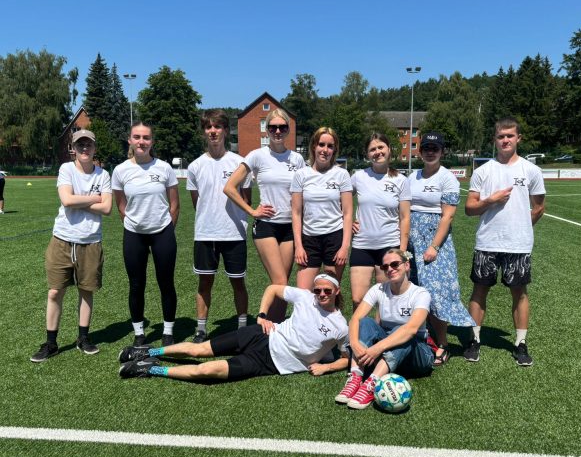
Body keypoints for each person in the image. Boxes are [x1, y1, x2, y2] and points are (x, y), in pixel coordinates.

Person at [118, 274, 349, 382]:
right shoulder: (304, 296)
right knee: (198, 350)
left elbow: (347, 359)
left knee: (205, 371)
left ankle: (151, 369)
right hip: (260, 335)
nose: (321, 294)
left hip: (269, 364)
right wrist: (261, 316)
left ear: (337, 291)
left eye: (327, 291)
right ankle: (147, 352)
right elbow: (272, 289)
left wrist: (326, 367)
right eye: (318, 290)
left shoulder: (340, 326)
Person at [464, 117, 545, 366]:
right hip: (487, 242)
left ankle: (520, 343)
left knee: (519, 293)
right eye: (501, 136)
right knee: (479, 290)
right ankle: (474, 340)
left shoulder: (531, 171)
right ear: (495, 139)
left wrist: (520, 228)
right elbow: (469, 208)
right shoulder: (483, 171)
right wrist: (491, 200)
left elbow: (539, 208)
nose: (505, 140)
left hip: (518, 245)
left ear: (518, 138)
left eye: (510, 135)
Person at [30, 130, 112, 362]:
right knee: (55, 291)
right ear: (73, 149)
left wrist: (78, 200)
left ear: (94, 148)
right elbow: (66, 200)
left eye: (88, 145)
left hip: (90, 241)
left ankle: (83, 338)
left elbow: (107, 208)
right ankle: (51, 343)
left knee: (86, 291)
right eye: (80, 145)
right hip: (62, 240)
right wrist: (95, 198)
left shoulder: (103, 174)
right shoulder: (66, 169)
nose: (84, 148)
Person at [224, 108, 305, 322]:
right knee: (280, 281)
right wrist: (252, 210)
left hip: (290, 227)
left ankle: (274, 330)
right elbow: (230, 187)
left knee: (282, 284)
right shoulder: (257, 155)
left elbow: (306, 192)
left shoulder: (297, 159)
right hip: (266, 226)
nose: (277, 131)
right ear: (267, 130)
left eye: (282, 127)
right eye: (273, 127)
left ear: (288, 129)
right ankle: (267, 327)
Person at [335, 248, 433, 410]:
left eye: (395, 264)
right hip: (389, 354)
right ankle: (355, 377)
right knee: (365, 322)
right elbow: (355, 319)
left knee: (402, 331)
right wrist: (355, 344)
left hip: (418, 355)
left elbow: (411, 329)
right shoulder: (379, 289)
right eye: (385, 267)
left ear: (407, 265)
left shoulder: (420, 294)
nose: (390, 269)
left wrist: (377, 348)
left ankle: (371, 384)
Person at [408, 132, 474, 365]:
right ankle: (423, 337)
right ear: (420, 151)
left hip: (435, 241)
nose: (430, 152)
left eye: (434, 148)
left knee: (436, 293)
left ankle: (443, 343)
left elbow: (447, 217)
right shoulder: (412, 176)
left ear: (442, 151)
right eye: (426, 148)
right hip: (412, 240)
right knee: (414, 290)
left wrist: (434, 246)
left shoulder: (447, 178)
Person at [112, 122, 180, 347]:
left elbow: (174, 205)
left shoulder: (164, 168)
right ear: (130, 140)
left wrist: (166, 229)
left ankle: (168, 332)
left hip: (162, 233)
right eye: (137, 137)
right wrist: (135, 224)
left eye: (146, 137)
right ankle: (139, 334)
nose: (141, 141)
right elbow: (121, 206)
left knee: (166, 283)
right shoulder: (120, 170)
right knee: (136, 285)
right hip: (134, 234)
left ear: (152, 141)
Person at [187, 109, 251, 343]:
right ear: (204, 132)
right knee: (204, 283)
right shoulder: (195, 166)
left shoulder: (239, 163)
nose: (213, 131)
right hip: (205, 234)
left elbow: (247, 200)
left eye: (217, 127)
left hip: (234, 233)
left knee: (238, 282)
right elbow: (197, 203)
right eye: (208, 127)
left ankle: (242, 327)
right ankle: (201, 329)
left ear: (225, 130)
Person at [350, 132, 411, 308]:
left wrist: (402, 252)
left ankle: (381, 328)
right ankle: (358, 328)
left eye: (381, 147)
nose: (377, 152)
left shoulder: (401, 180)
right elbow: (340, 202)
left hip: (389, 246)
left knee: (385, 302)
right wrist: (346, 221)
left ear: (389, 149)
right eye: (372, 149)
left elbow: (405, 217)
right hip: (362, 245)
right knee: (358, 300)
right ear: (367, 154)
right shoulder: (358, 177)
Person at [291, 127, 353, 289]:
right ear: (314, 146)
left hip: (334, 238)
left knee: (329, 292)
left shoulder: (342, 174)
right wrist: (299, 246)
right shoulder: (301, 175)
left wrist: (344, 247)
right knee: (303, 294)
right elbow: (296, 213)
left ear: (335, 150)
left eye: (330, 146)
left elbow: (347, 213)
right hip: (309, 239)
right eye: (321, 144)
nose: (325, 150)